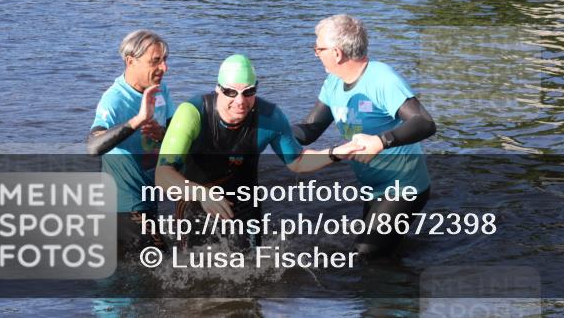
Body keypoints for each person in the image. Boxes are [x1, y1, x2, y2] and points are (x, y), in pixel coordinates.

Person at [156, 54, 362, 249]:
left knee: (250, 268)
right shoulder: (191, 113)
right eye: (230, 92)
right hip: (194, 200)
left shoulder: (270, 117)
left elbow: (297, 161)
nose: (240, 101)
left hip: (244, 202)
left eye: (248, 92)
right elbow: (162, 175)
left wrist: (337, 153)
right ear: (218, 89)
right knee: (191, 271)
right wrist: (201, 193)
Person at [294, 14, 436, 257]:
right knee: (381, 254)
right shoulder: (333, 83)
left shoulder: (381, 79)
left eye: (318, 49)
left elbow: (424, 122)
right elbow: (310, 129)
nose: (316, 54)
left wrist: (381, 141)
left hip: (404, 187)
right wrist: (269, 131)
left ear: (337, 53)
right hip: (373, 187)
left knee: (365, 254)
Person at [87, 30, 175, 254]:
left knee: (131, 266)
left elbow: (175, 132)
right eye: (155, 61)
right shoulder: (114, 99)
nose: (164, 68)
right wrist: (138, 120)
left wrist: (162, 134)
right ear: (130, 61)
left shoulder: (160, 88)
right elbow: (93, 147)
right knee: (160, 255)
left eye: (164, 60)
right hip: (122, 202)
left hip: (148, 195)